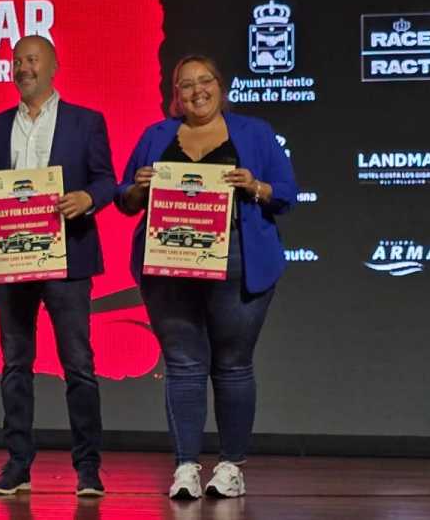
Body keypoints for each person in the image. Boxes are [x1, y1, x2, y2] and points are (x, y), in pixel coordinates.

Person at [115, 54, 297, 500]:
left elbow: (286, 194)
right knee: (183, 365)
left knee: (233, 364)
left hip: (238, 260)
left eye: (205, 81)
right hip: (169, 261)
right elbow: (125, 198)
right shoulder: (156, 135)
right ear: (175, 95)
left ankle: (231, 467)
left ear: (221, 85)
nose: (197, 91)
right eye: (186, 84)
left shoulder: (254, 132)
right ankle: (186, 468)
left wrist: (254, 186)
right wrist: (138, 187)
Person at [0, 35, 116, 497]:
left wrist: (88, 197)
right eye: (16, 61)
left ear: (53, 67)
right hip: (14, 258)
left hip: (69, 258)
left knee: (79, 366)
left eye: (32, 60)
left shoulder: (86, 121)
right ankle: (17, 465)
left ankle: (88, 468)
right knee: (15, 365)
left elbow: (107, 180)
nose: (23, 68)